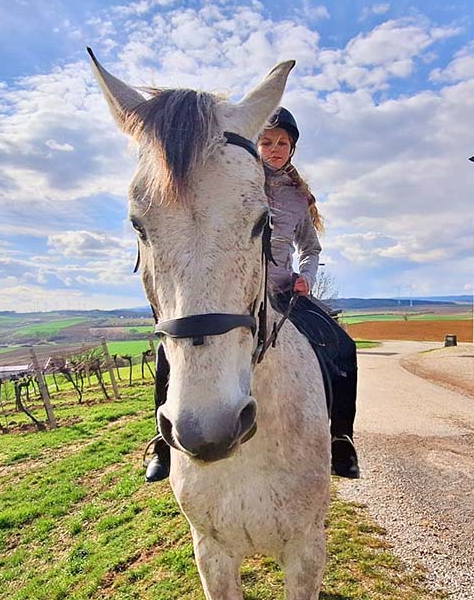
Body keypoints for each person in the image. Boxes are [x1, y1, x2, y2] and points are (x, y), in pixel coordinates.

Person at [144, 106, 361, 482]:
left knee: (342, 345)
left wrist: (305, 277)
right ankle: (164, 444)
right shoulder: (236, 179)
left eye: (283, 143)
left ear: (292, 149)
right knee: (169, 351)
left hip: (282, 290)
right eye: (267, 141)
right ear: (256, 143)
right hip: (240, 292)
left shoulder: (299, 198)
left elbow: (311, 248)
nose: (275, 149)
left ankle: (340, 439)